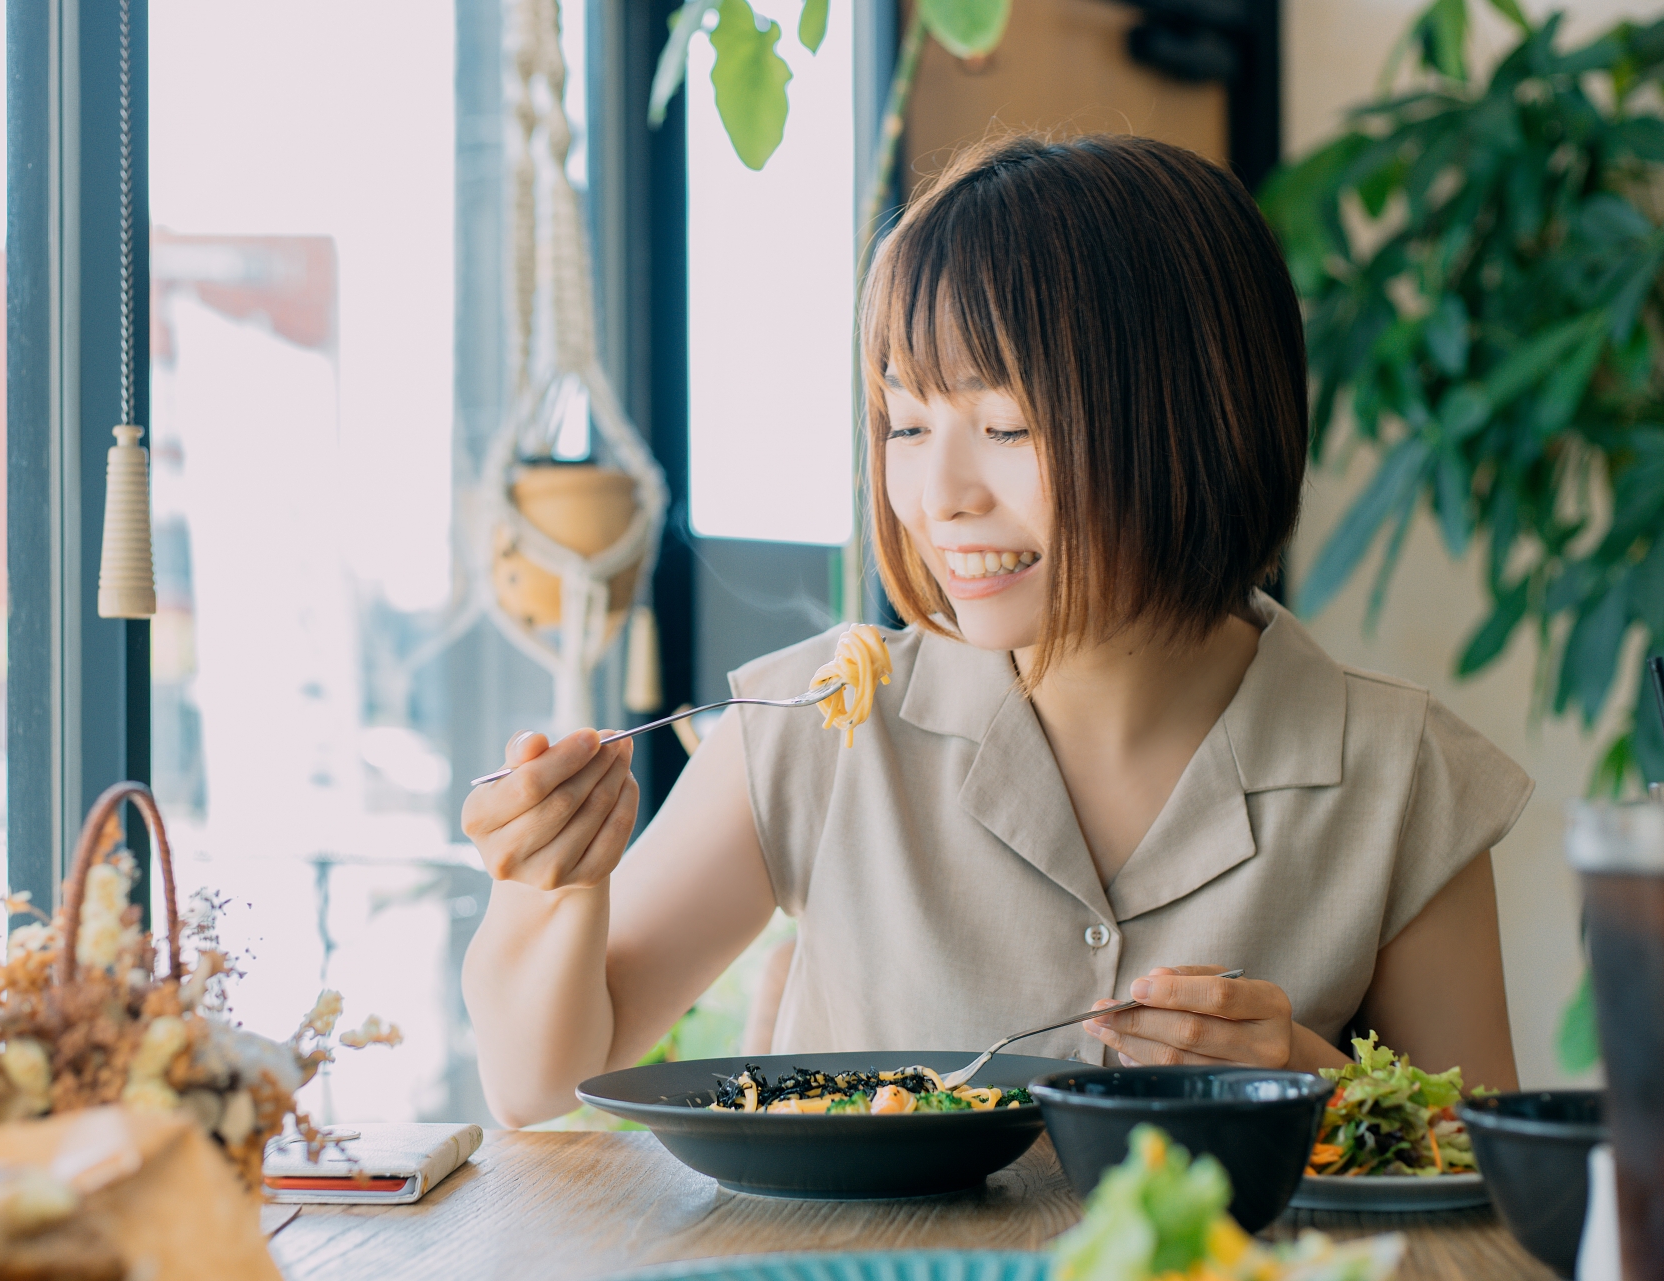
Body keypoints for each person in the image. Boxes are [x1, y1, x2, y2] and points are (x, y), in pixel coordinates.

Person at [461, 134, 1531, 1128]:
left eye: (1007, 426)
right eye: (908, 424)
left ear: (1195, 423)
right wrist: (547, 882)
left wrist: (1313, 1082)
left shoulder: (1399, 778)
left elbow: (1484, 1186)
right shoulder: (816, 729)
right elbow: (543, 1083)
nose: (938, 494)